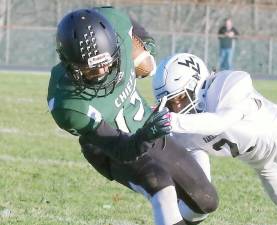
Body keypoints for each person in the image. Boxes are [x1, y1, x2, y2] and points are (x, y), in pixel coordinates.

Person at [47, 7, 218, 225]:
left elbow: (125, 21)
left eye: (106, 64)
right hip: (111, 149)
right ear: (69, 64)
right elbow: (122, 149)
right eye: (90, 71)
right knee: (161, 185)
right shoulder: (70, 105)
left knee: (206, 200)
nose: (101, 74)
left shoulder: (114, 25)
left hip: (145, 126)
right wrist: (147, 135)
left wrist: (146, 43)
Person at [152, 41, 277, 225]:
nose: (176, 108)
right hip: (269, 166)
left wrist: (171, 121)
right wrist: (190, 202)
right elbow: (201, 182)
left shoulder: (228, 83)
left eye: (180, 98)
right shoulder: (184, 129)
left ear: (196, 83)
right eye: (170, 103)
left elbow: (220, 122)